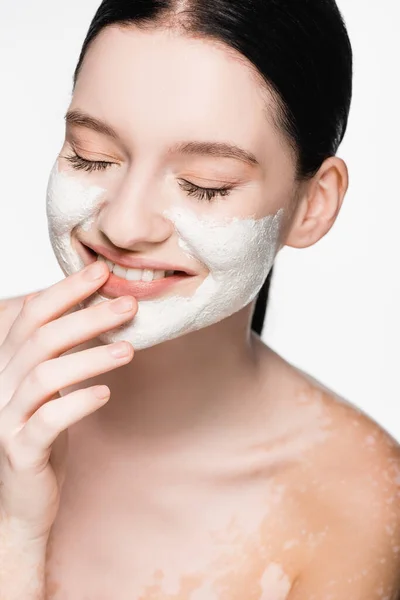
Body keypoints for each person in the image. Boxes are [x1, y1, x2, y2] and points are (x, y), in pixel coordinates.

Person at [1, 0, 399, 598]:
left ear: (312, 204)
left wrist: (15, 542)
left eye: (203, 186)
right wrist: (13, 529)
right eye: (91, 155)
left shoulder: (355, 504)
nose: (125, 224)